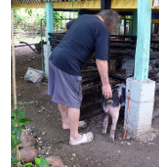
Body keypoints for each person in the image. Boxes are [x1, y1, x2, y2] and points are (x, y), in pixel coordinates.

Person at [48, 10, 121, 145]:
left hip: (55, 58)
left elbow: (67, 26)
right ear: (110, 24)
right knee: (74, 100)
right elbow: (101, 61)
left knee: (62, 94)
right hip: (68, 64)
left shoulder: (85, 17)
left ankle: (66, 122)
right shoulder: (102, 29)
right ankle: (75, 137)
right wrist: (106, 84)